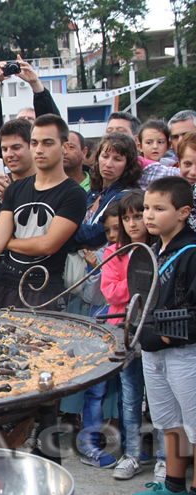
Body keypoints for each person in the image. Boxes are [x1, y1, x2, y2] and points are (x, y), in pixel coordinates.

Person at [0, 114, 88, 310]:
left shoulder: (74, 194)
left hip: (42, 289)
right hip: (0, 285)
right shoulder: (16, 188)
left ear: (64, 147)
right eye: (34, 143)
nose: (39, 150)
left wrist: (5, 243)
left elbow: (47, 244)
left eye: (48, 143)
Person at [131, 177, 196, 495]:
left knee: (195, 423)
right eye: (146, 208)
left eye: (159, 209)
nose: (149, 216)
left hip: (185, 354)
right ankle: (173, 484)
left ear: (184, 212)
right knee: (170, 421)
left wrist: (165, 336)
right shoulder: (156, 250)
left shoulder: (192, 252)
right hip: (154, 352)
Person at [101, 190, 160, 480]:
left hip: (154, 330)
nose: (133, 223)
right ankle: (132, 454)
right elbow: (110, 291)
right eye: (126, 218)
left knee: (161, 396)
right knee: (131, 393)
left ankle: (164, 458)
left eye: (138, 216)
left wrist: (132, 288)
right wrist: (138, 282)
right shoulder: (115, 252)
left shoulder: (160, 250)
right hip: (122, 329)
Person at [75, 202, 122, 469]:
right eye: (108, 229)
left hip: (129, 329)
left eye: (118, 228)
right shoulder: (102, 253)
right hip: (101, 328)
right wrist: (94, 270)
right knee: (96, 389)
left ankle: (131, 446)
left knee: (129, 390)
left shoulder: (143, 253)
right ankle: (88, 445)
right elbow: (92, 296)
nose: (114, 234)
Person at [0, 55, 60, 162]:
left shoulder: (45, 160)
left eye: (30, 119)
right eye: (21, 118)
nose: (10, 154)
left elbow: (52, 124)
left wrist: (34, 82)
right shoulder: (4, 160)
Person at [74, 132, 142, 249]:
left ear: (128, 165)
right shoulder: (93, 192)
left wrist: (63, 230)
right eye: (105, 156)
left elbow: (96, 235)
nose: (108, 164)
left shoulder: (126, 196)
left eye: (117, 159)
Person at [0, 119, 36, 241]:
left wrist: (8, 198)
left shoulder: (45, 184)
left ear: (33, 146)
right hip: (1, 258)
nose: (9, 154)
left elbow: (33, 234)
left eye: (16, 147)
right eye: (4, 149)